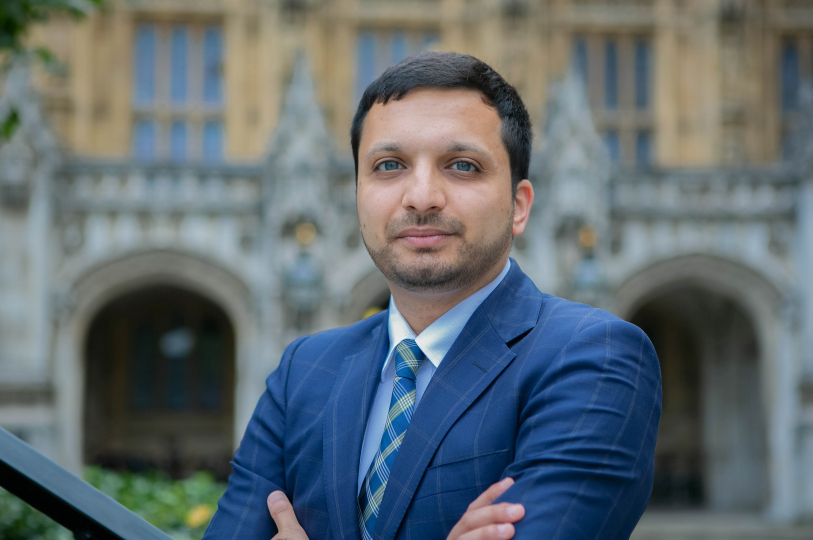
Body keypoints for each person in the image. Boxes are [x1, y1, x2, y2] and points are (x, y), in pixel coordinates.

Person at [203, 52, 662, 540]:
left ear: (519, 205)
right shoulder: (305, 370)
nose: (421, 197)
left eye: (462, 165)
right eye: (389, 165)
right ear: (356, 193)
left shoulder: (596, 356)